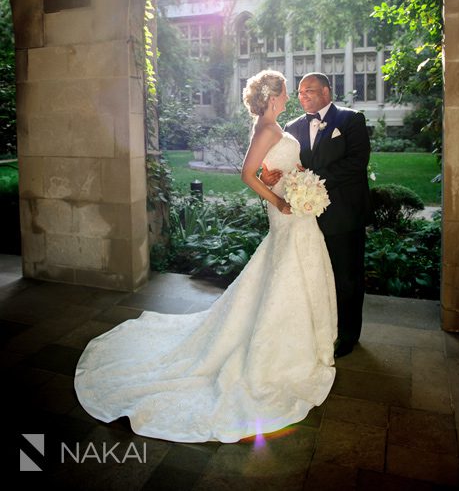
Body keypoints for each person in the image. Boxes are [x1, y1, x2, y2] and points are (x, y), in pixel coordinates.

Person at [74, 69, 337, 443]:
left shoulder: (271, 126)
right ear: (275, 97)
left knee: (292, 270)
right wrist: (280, 198)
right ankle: (280, 353)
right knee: (286, 272)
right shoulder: (266, 128)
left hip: (296, 208)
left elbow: (269, 168)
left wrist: (295, 181)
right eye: (284, 93)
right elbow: (249, 174)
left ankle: (306, 343)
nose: (288, 99)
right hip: (286, 212)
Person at [261, 72, 371, 358]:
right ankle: (320, 331)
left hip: (344, 214)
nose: (302, 96)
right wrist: (272, 177)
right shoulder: (291, 126)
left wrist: (313, 180)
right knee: (315, 275)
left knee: (347, 276)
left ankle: (348, 336)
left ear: (326, 91)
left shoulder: (351, 120)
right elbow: (287, 166)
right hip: (305, 217)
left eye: (309, 90)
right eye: (299, 92)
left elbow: (356, 164)